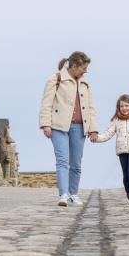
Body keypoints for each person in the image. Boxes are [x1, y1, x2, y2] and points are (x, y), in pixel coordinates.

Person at [39, 51, 98, 206]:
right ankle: (63, 194)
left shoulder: (85, 83)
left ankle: (74, 193)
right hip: (58, 126)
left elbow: (91, 108)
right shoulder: (56, 79)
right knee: (62, 161)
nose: (86, 70)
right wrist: (46, 124)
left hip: (80, 127)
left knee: (76, 163)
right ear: (74, 66)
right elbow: (47, 104)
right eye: (83, 67)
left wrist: (93, 129)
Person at [92, 94, 129, 205]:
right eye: (122, 106)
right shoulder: (116, 120)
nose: (124, 108)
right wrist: (96, 138)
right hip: (122, 150)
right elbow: (107, 134)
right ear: (118, 108)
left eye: (126, 105)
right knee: (125, 175)